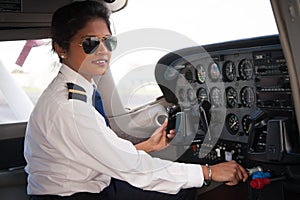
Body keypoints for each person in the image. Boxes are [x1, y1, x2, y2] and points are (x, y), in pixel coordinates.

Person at [24, 1, 248, 199]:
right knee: (182, 191)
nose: (103, 51)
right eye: (90, 43)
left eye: (108, 42)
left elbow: (98, 152)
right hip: (75, 195)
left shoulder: (74, 90)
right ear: (61, 48)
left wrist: (147, 146)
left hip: (82, 184)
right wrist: (209, 172)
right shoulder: (69, 107)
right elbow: (132, 169)